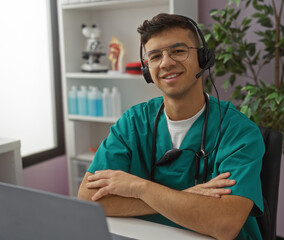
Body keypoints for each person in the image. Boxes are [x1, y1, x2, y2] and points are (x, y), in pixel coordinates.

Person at [78, 13, 265, 240]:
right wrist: (185, 197)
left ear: (203, 58)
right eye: (155, 56)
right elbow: (89, 198)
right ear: (147, 70)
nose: (166, 63)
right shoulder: (133, 123)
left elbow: (224, 224)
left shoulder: (239, 132)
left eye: (178, 51)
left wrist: (140, 188)